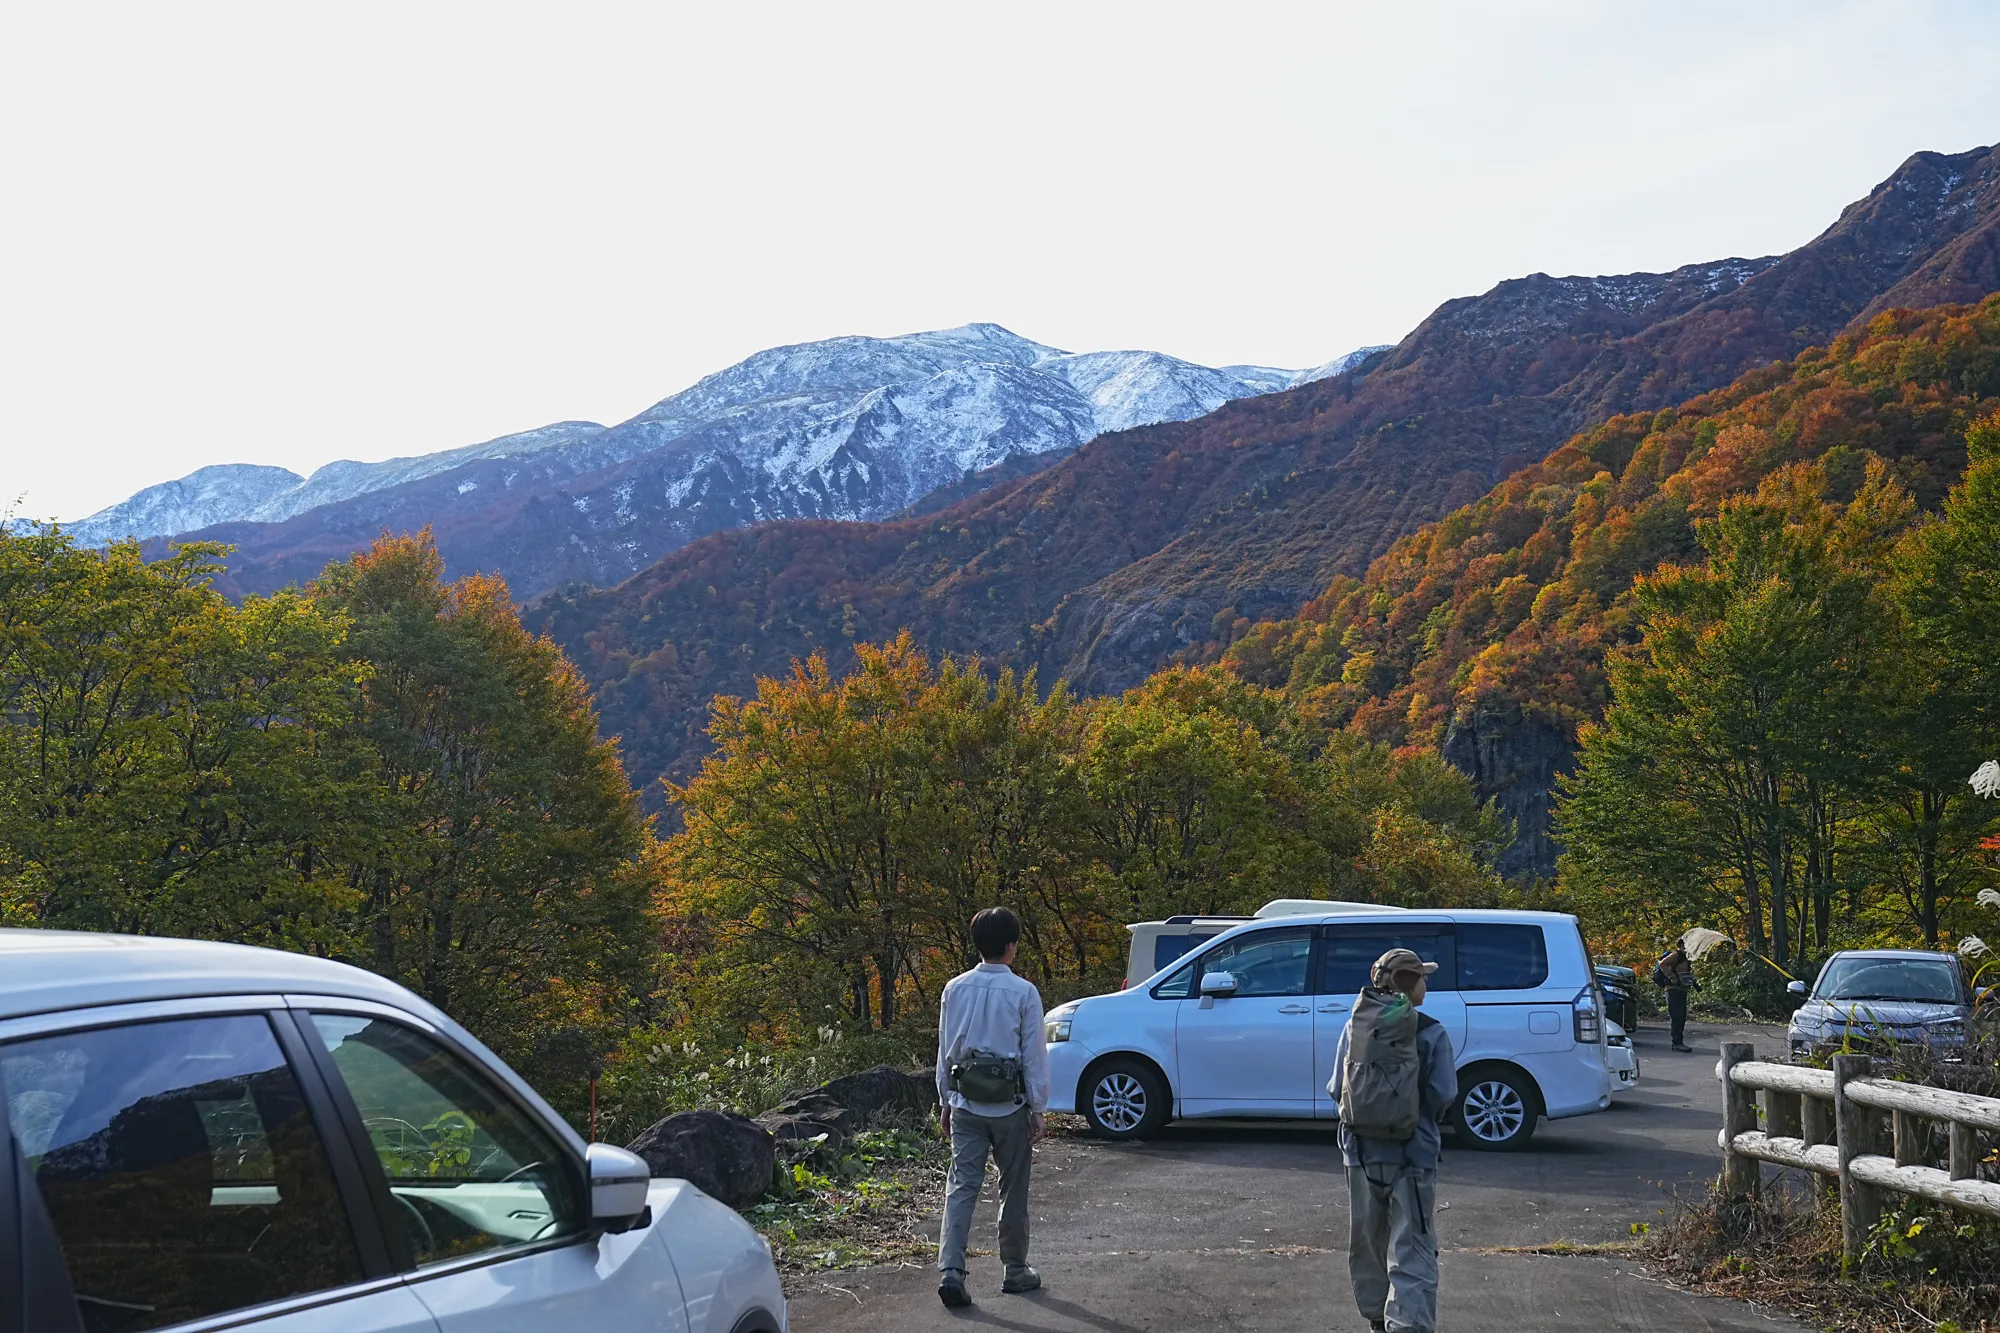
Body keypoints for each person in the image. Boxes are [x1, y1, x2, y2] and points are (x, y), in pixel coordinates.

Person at [1328, 948, 1456, 1333]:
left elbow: (1337, 1089)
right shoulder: (1431, 1030)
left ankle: (1374, 1318)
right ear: (1407, 982)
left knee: (1367, 1243)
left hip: (1360, 1153)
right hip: (1413, 1156)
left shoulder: (1355, 1027)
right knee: (1412, 1248)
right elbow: (1443, 1094)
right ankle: (1408, 1325)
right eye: (1422, 977)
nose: (1426, 984)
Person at [935, 906, 1050, 1308]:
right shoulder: (1024, 992)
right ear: (1010, 945)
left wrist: (946, 1100)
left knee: (962, 1188)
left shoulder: (954, 988)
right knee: (1012, 1189)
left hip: (966, 1103)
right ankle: (1015, 1270)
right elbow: (1033, 1055)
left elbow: (945, 1051)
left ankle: (952, 1269)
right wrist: (1037, 1107)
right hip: (1010, 1106)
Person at [1655, 939, 1700, 1052]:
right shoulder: (1676, 955)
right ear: (1680, 945)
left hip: (1682, 989)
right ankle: (1677, 1043)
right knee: (1677, 1016)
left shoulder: (1686, 958)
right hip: (1672, 989)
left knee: (1681, 1017)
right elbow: (1662, 964)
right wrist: (1672, 977)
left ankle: (1678, 1043)